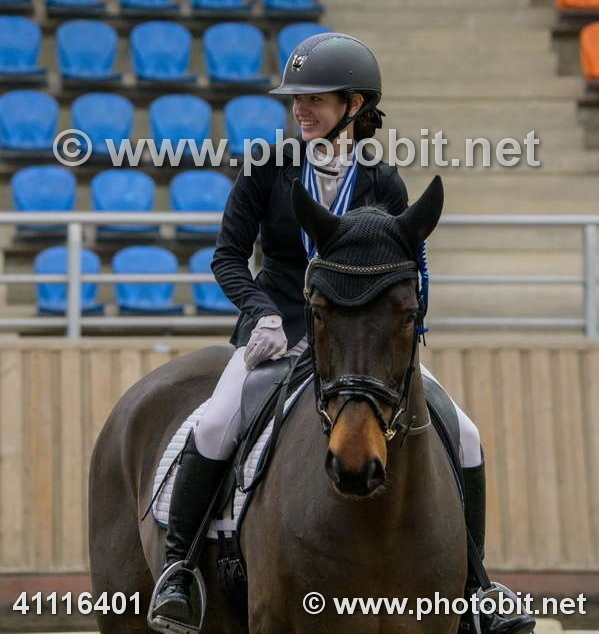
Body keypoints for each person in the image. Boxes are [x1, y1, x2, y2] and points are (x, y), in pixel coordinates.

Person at [152, 33, 534, 634]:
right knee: (217, 421)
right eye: (296, 100)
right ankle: (178, 571)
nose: (301, 110)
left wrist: (400, 329)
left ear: (354, 105)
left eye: (316, 99)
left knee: (465, 433)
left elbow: (406, 273)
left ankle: (474, 586)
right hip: (279, 327)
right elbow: (228, 257)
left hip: (361, 337)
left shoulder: (382, 181)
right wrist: (260, 313)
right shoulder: (266, 168)